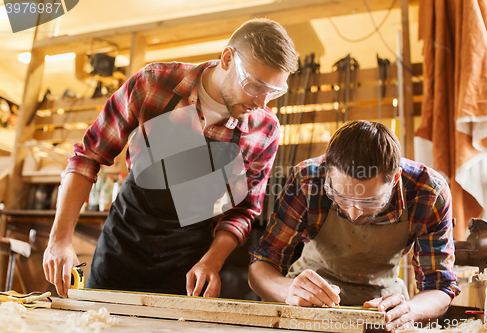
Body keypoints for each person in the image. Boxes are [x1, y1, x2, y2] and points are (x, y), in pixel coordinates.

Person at [43, 18, 298, 298]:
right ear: (227, 59)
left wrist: (211, 262)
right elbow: (89, 156)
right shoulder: (154, 83)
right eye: (255, 85)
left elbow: (243, 211)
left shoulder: (265, 129)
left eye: (274, 92)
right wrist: (60, 240)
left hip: (188, 263)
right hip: (123, 245)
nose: (262, 103)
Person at [249, 120, 460, 331]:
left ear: (395, 179)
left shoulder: (429, 193)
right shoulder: (307, 180)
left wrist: (409, 311)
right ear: (329, 174)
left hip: (381, 313)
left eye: (369, 202)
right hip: (309, 308)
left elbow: (439, 287)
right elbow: (262, 264)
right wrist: (289, 291)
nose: (353, 212)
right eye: (340, 197)